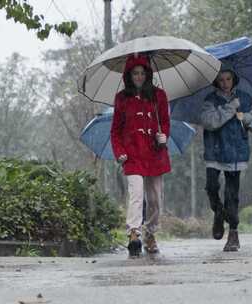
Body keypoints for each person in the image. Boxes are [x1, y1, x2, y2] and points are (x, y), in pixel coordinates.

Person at [110, 53, 171, 257]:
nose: (138, 77)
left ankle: (150, 233)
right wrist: (119, 152)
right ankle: (134, 234)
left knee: (155, 199)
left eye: (142, 73)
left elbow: (165, 122)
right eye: (135, 73)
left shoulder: (159, 96)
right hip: (132, 154)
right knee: (136, 195)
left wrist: (164, 136)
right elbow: (115, 130)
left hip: (155, 154)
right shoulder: (122, 98)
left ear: (148, 74)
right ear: (129, 75)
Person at [200, 64, 252, 252]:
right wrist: (230, 108)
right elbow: (210, 122)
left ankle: (233, 232)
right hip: (215, 151)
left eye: (228, 79)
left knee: (232, 195)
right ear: (216, 82)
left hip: (236, 153)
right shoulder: (210, 100)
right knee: (211, 187)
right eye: (221, 79)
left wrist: (246, 118)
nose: (225, 83)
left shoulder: (246, 98)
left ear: (233, 79)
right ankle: (218, 212)